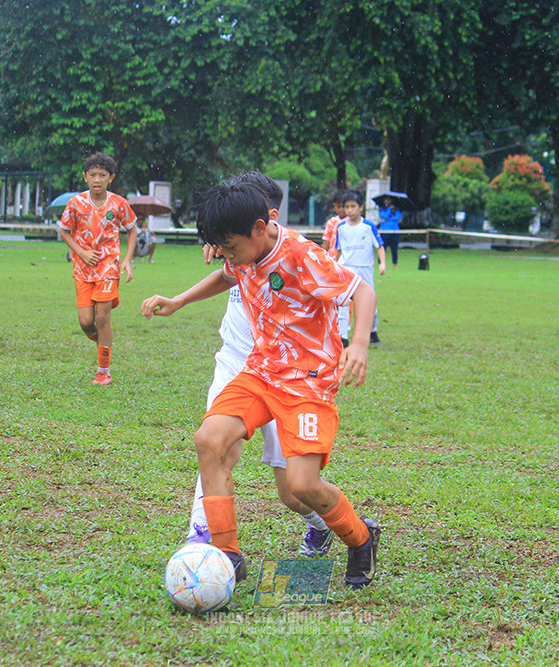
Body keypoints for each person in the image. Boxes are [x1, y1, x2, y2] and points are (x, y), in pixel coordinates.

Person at [141, 180, 382, 589]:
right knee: (209, 439)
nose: (228, 256)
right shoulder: (242, 250)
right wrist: (180, 300)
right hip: (261, 371)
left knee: (301, 487)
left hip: (307, 382)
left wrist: (357, 344)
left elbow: (363, 292)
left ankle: (361, 537)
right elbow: (227, 274)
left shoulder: (302, 256)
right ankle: (228, 555)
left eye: (231, 246)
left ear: (258, 228)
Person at [184, 172, 334, 559]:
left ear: (269, 218)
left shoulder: (294, 255)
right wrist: (211, 246)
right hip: (239, 362)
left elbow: (336, 296)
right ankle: (203, 540)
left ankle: (323, 524)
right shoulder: (235, 247)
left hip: (289, 374)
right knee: (216, 445)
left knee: (292, 491)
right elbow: (224, 270)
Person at [58, 153, 137, 386]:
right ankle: (105, 342)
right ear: (85, 177)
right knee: (86, 322)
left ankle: (104, 371)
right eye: (92, 175)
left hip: (109, 266)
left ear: (110, 178)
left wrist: (127, 260)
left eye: (102, 175)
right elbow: (64, 230)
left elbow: (132, 230)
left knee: (102, 317)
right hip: (83, 269)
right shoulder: (76, 203)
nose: (97, 179)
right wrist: (81, 252)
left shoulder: (119, 203)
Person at [335, 190, 386, 346]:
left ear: (361, 207)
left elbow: (380, 246)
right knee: (343, 302)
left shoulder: (369, 227)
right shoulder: (341, 227)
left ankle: (372, 331)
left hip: (365, 269)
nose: (349, 210)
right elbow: (338, 249)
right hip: (346, 269)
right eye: (347, 207)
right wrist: (333, 266)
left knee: (369, 303)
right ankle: (343, 338)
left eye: (353, 206)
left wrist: (382, 263)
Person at [378, 196, 402, 269]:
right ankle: (381, 264)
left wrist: (388, 219)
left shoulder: (396, 209)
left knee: (394, 249)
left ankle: (395, 264)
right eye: (386, 199)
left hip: (394, 231)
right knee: (383, 248)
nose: (387, 201)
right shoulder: (382, 208)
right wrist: (389, 209)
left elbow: (397, 218)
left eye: (389, 200)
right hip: (384, 231)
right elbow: (384, 216)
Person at [320, 190, 347, 257]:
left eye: (343, 207)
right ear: (334, 206)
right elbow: (326, 241)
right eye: (338, 207)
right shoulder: (331, 222)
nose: (341, 209)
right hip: (333, 258)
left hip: (346, 258)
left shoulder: (351, 222)